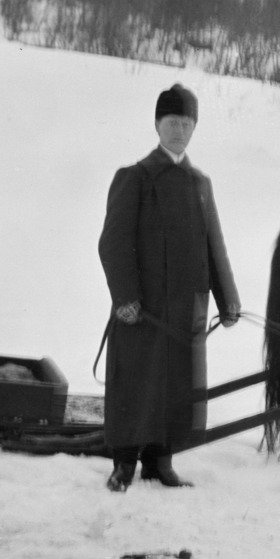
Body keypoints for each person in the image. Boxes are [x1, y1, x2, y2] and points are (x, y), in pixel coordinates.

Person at [98, 83, 240, 490]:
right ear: (157, 125)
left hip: (185, 310)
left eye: (186, 123)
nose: (179, 130)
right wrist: (125, 298)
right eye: (171, 122)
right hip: (142, 310)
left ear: (194, 129)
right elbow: (113, 242)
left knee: (177, 386)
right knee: (138, 384)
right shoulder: (135, 177)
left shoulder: (200, 183)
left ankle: (161, 462)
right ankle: (123, 464)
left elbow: (214, 246)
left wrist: (227, 300)